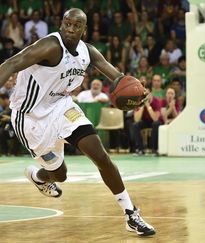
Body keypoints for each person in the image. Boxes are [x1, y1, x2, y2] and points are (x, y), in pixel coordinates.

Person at [0, 8, 155, 236]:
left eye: (76, 25)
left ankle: (131, 214)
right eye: (67, 23)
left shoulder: (88, 52)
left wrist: (140, 92)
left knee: (101, 156)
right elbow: (12, 63)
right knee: (59, 174)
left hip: (62, 107)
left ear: (84, 29)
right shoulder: (50, 46)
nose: (70, 29)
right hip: (30, 118)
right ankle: (39, 177)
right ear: (61, 24)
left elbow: (118, 78)